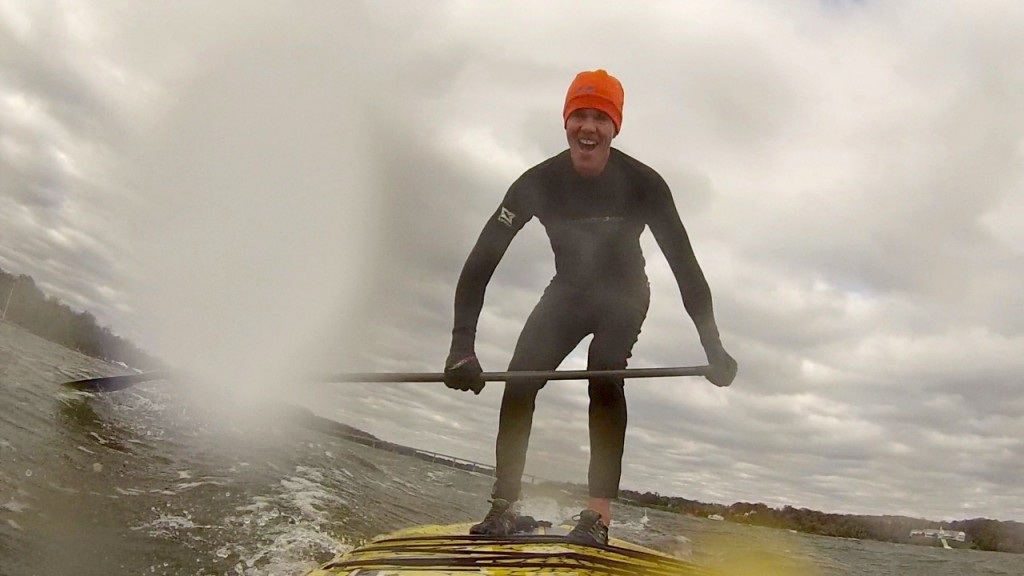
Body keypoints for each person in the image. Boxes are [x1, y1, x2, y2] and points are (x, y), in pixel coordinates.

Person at [443, 69, 737, 546]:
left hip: (624, 293)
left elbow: (685, 268)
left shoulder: (645, 185)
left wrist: (714, 348)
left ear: (615, 126)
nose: (588, 127)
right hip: (569, 292)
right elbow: (481, 262)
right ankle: (504, 506)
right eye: (579, 114)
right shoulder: (535, 184)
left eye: (600, 117)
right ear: (565, 122)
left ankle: (597, 517)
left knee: (603, 369)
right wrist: (461, 347)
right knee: (520, 377)